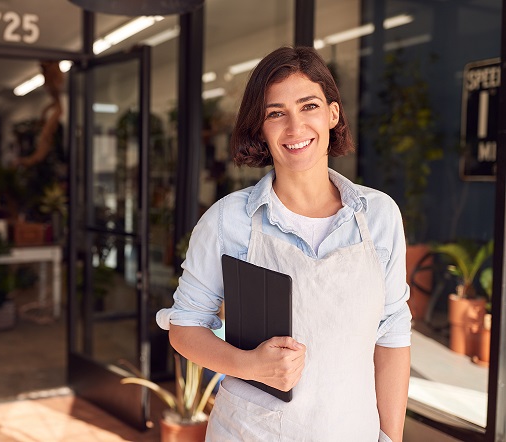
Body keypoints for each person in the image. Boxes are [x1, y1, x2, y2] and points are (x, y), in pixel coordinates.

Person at [156, 46, 411, 442]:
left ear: (332, 113)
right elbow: (184, 327)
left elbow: (392, 336)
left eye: (308, 106)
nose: (295, 128)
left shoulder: (379, 216)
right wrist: (248, 364)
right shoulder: (228, 221)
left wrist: (390, 438)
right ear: (260, 128)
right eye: (276, 113)